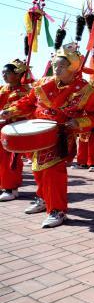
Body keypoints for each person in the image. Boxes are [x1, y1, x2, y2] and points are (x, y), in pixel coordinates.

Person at [0, 45, 94, 228]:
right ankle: (43, 199)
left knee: (53, 173)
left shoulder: (84, 90)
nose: (56, 69)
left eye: (61, 66)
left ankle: (57, 210)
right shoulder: (43, 83)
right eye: (54, 65)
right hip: (38, 134)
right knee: (38, 170)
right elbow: (28, 102)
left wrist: (79, 122)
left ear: (72, 68)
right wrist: (11, 111)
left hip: (61, 135)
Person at [0, 59, 31, 201]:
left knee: (11, 159)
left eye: (7, 73)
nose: (4, 75)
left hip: (16, 130)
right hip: (2, 128)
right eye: (3, 72)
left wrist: (12, 113)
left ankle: (11, 188)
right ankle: (3, 185)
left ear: (18, 75)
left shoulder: (26, 92)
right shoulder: (2, 90)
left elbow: (29, 110)